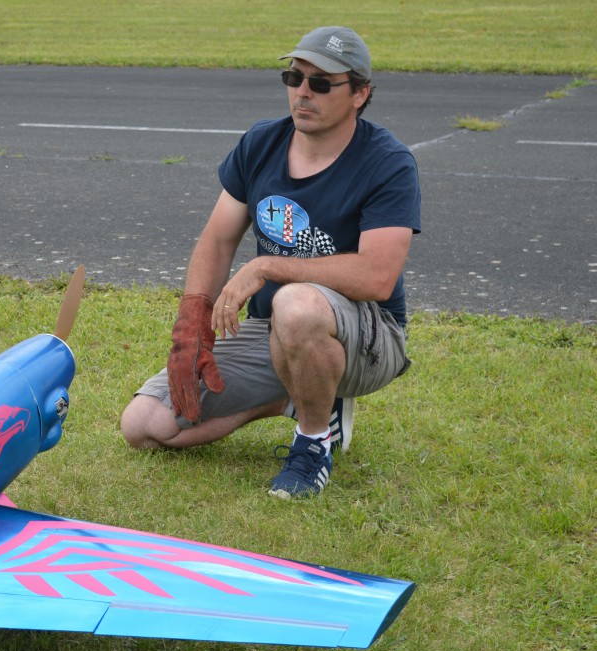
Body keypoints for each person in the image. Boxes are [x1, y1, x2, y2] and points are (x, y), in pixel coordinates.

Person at [120, 26, 421, 499]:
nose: (302, 92)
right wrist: (193, 315)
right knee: (145, 425)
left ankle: (313, 443)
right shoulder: (261, 143)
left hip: (369, 336)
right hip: (280, 330)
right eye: (294, 76)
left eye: (322, 83)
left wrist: (267, 268)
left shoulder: (388, 162)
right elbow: (218, 240)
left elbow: (377, 277)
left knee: (295, 302)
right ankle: (298, 396)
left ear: (360, 94)